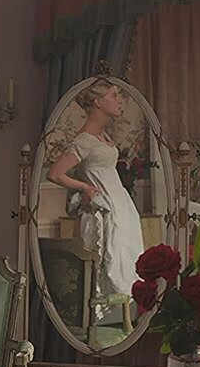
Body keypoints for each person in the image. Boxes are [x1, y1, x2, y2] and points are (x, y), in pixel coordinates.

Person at [45, 78, 144, 310]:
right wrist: (85, 187)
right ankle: (105, 315)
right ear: (97, 102)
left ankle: (125, 314)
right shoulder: (86, 139)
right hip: (105, 207)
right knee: (110, 264)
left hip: (120, 205)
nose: (119, 101)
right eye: (113, 95)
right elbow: (55, 174)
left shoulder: (102, 136)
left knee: (128, 260)